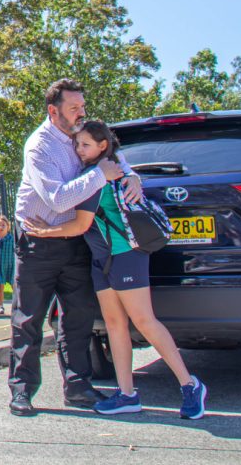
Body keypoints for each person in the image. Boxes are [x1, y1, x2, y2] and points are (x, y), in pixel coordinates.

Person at [24, 120, 208, 419]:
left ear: (103, 146)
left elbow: (81, 224)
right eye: (77, 144)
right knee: (114, 324)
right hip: (102, 258)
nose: (79, 150)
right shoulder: (95, 174)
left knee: (144, 321)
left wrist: (43, 232)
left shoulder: (101, 176)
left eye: (85, 144)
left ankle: (190, 385)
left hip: (126, 255)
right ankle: (126, 394)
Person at [7, 78, 143, 417]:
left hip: (78, 240)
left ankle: (78, 386)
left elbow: (115, 159)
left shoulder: (86, 135)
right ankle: (21, 391)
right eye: (73, 108)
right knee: (28, 318)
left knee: (78, 317)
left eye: (82, 106)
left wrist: (132, 175)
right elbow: (57, 198)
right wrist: (102, 174)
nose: (81, 113)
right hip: (38, 240)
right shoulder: (38, 147)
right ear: (54, 111)